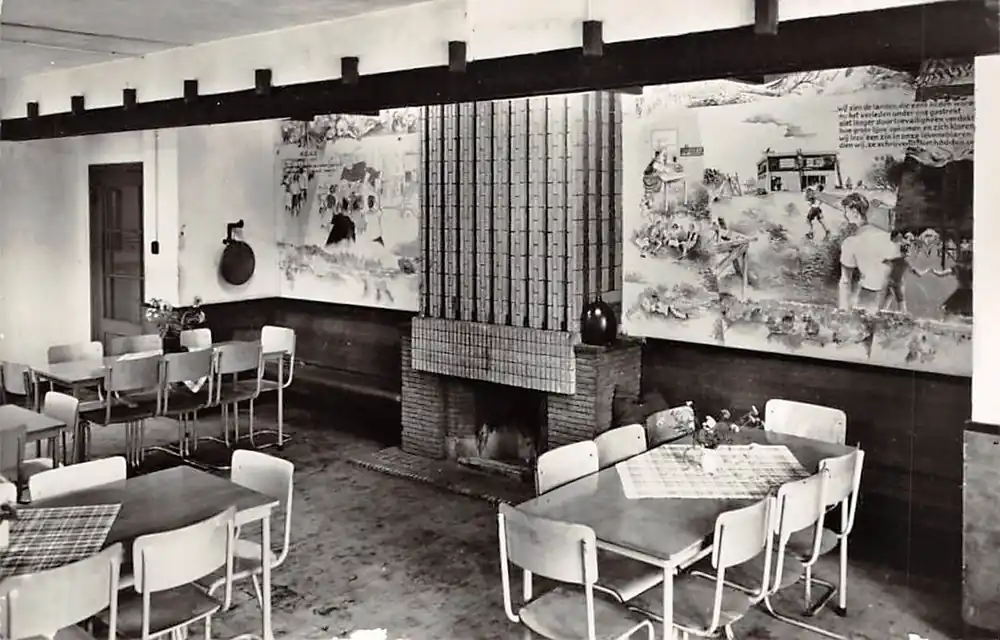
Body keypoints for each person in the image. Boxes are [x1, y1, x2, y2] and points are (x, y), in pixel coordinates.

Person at [838, 192, 897, 312]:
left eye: (846, 211)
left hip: (867, 294)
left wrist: (842, 309)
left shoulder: (851, 243)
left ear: (854, 212)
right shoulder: (885, 236)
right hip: (887, 295)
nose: (844, 215)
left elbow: (845, 281)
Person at [879, 231, 929, 313]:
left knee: (891, 296)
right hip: (897, 282)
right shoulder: (905, 261)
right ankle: (899, 312)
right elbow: (917, 273)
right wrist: (927, 271)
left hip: (893, 281)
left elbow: (885, 261)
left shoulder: (898, 260)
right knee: (899, 299)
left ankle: (883, 311)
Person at [927, 238, 973, 317]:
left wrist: (933, 271)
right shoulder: (971, 268)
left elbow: (941, 274)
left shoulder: (958, 267)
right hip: (969, 293)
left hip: (961, 292)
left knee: (946, 309)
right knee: (966, 312)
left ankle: (949, 321)